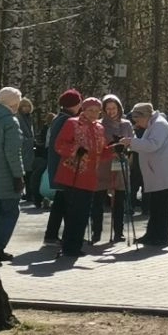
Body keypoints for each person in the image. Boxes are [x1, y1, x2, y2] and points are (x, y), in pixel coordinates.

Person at [120, 103, 168, 247]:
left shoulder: (159, 125)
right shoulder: (154, 124)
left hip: (163, 174)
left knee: (162, 207)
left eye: (137, 120)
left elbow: (152, 145)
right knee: (156, 205)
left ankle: (163, 237)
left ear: (144, 116)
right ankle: (152, 234)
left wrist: (131, 142)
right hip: (158, 173)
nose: (136, 124)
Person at [54, 97, 112, 258]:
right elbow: (59, 144)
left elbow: (102, 152)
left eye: (97, 111)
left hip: (90, 177)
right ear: (83, 110)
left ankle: (76, 245)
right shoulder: (72, 123)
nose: (93, 114)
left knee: (83, 213)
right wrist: (75, 149)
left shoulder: (99, 128)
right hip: (72, 174)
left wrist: (115, 149)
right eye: (90, 110)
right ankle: (68, 246)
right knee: (74, 212)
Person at [0, 87, 25, 263]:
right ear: (13, 104)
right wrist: (19, 176)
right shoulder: (10, 121)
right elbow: (12, 152)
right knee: (10, 212)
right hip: (6, 176)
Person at [91, 95, 133, 243]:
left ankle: (119, 232)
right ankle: (96, 232)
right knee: (98, 200)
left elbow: (131, 143)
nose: (111, 111)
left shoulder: (126, 124)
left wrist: (127, 151)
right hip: (103, 165)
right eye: (108, 109)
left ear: (119, 108)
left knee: (119, 201)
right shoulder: (99, 124)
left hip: (120, 164)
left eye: (114, 108)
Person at [43, 89, 82, 245]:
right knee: (64, 203)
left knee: (62, 202)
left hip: (61, 166)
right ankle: (56, 235)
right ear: (75, 104)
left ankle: (58, 234)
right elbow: (63, 145)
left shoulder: (60, 119)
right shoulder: (66, 121)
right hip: (64, 168)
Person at [16, 98, 36, 202]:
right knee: (26, 172)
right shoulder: (18, 118)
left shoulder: (29, 118)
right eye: (25, 106)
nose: (27, 108)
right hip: (24, 148)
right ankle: (26, 193)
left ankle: (29, 193)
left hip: (29, 149)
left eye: (28, 106)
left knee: (29, 172)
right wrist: (28, 140)